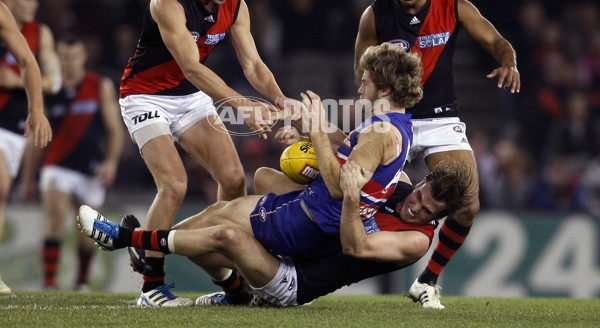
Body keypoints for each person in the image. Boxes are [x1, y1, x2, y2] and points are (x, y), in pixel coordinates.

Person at [88, 43, 469, 306]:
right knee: (217, 217)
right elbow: (349, 154)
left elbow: (339, 186)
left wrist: (317, 127)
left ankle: (127, 241)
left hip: (310, 220)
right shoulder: (393, 126)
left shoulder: (383, 131)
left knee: (215, 230)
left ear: (383, 86)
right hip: (310, 212)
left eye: (366, 81)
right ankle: (173, 264)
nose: (360, 86)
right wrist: (311, 130)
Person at [117, 0, 292, 307]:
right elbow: (192, 67)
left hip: (189, 98)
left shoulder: (236, 6)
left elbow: (253, 64)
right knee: (175, 184)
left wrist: (279, 100)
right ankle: (151, 287)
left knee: (233, 180)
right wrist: (244, 105)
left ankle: (231, 286)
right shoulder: (168, 1)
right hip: (144, 96)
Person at [353, 0, 521, 309]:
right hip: (394, 118)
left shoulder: (455, 6)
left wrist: (508, 61)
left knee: (467, 204)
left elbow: (496, 41)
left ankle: (426, 281)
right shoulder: (375, 14)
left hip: (441, 116)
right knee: (351, 193)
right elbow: (360, 70)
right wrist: (375, 108)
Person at [78, 159, 473, 307]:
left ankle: (129, 241)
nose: (414, 206)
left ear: (439, 217)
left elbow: (355, 243)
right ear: (422, 182)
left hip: (295, 282)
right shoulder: (398, 183)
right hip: (297, 244)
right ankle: (234, 295)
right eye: (421, 194)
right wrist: (312, 159)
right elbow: (339, 172)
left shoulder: (416, 241)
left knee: (226, 237)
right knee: (236, 200)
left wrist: (351, 194)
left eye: (426, 210)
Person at [28, 37, 123, 290]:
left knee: (86, 230)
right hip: (56, 164)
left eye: (74, 56)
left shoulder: (99, 85)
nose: (70, 62)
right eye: (65, 57)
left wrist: (111, 162)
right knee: (55, 220)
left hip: (90, 168)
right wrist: (28, 176)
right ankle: (49, 284)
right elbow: (37, 134)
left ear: (83, 57)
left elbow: (115, 129)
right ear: (58, 58)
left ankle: (81, 282)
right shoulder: (49, 89)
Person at [0, 0, 57, 295]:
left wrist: (37, 109)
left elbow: (30, 64)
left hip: (10, 125)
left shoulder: (8, 18)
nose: (33, 4)